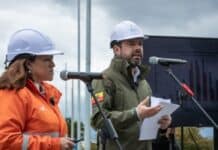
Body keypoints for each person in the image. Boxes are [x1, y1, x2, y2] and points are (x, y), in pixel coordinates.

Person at [91, 20, 172, 150]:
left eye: (140, 43)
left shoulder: (144, 84)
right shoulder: (104, 79)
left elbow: (145, 127)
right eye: (131, 44)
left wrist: (161, 125)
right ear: (116, 49)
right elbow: (99, 121)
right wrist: (135, 114)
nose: (138, 48)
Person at [0, 29, 74, 150]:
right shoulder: (13, 94)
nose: (53, 64)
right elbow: (5, 140)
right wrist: (56, 144)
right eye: (47, 59)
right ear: (28, 64)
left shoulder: (46, 95)